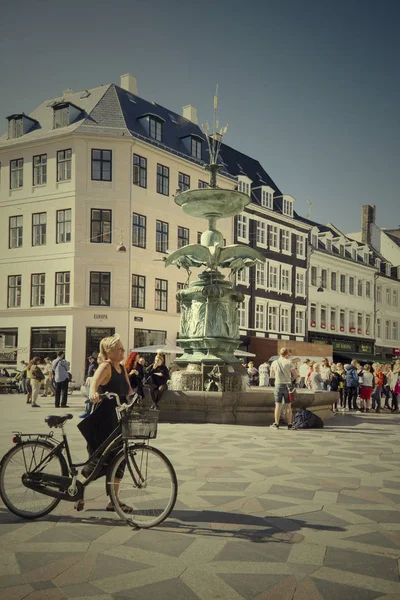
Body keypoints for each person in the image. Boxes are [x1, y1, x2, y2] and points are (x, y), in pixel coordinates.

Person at [76, 334, 133, 512]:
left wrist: (133, 395)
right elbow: (93, 384)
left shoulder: (121, 368)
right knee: (99, 460)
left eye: (123, 348)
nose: (123, 351)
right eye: (119, 349)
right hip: (104, 419)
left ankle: (113, 501)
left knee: (119, 459)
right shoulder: (105, 366)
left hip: (118, 418)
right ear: (109, 352)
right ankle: (78, 489)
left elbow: (128, 389)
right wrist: (93, 393)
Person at [269, 348, 296, 429]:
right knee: (288, 406)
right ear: (287, 354)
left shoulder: (274, 362)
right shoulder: (289, 362)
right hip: (288, 385)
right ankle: (290, 424)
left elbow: (271, 374)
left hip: (278, 384)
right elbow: (295, 375)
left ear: (279, 353)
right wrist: (290, 379)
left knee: (278, 405)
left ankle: (276, 424)